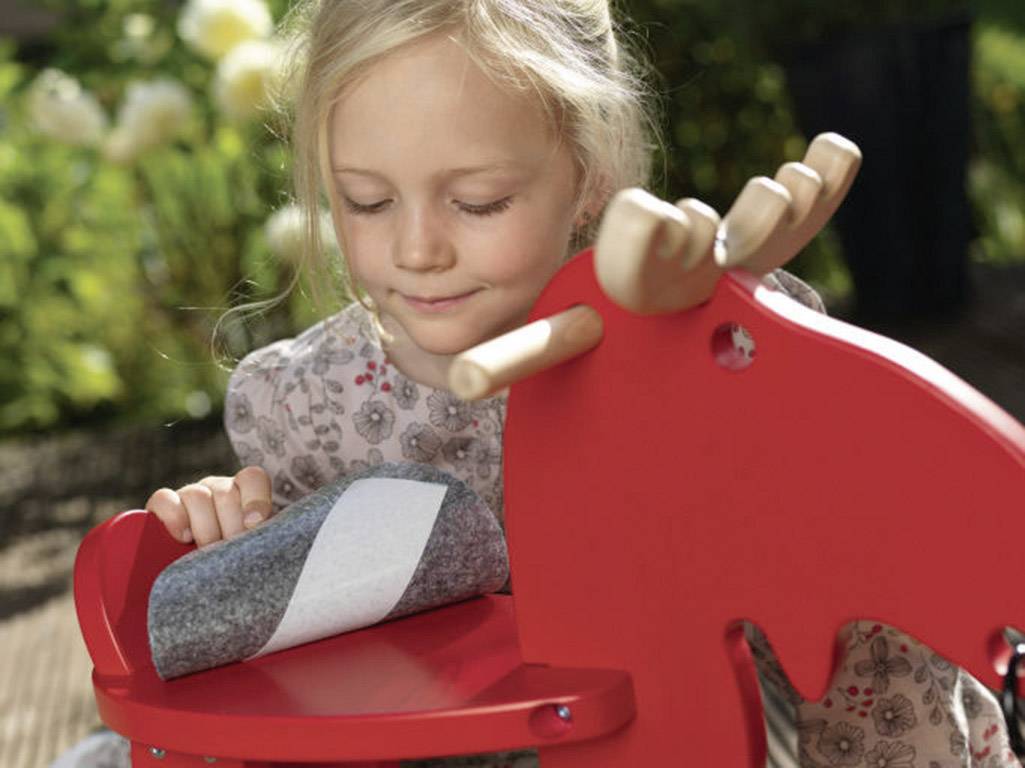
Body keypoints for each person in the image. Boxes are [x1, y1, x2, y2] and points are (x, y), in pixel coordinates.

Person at [55, 2, 1016, 768]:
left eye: (479, 202)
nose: (420, 249)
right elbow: (296, 651)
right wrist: (227, 548)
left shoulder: (703, 350)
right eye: (367, 200)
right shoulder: (302, 405)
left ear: (587, 175)